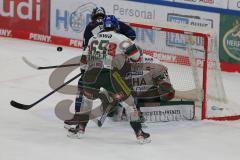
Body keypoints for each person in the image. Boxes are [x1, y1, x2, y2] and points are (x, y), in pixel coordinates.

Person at [68, 15, 151, 144]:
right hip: (111, 75)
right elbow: (136, 57)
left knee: (87, 101)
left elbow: (84, 61)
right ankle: (140, 134)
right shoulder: (121, 38)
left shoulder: (92, 39)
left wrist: (85, 73)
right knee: (130, 104)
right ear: (116, 26)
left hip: (91, 75)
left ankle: (80, 129)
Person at [64, 6, 136, 126]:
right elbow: (132, 35)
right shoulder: (117, 24)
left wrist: (84, 69)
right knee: (123, 84)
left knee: (83, 84)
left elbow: (86, 49)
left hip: (96, 66)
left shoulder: (90, 26)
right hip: (115, 65)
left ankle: (79, 116)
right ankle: (126, 111)